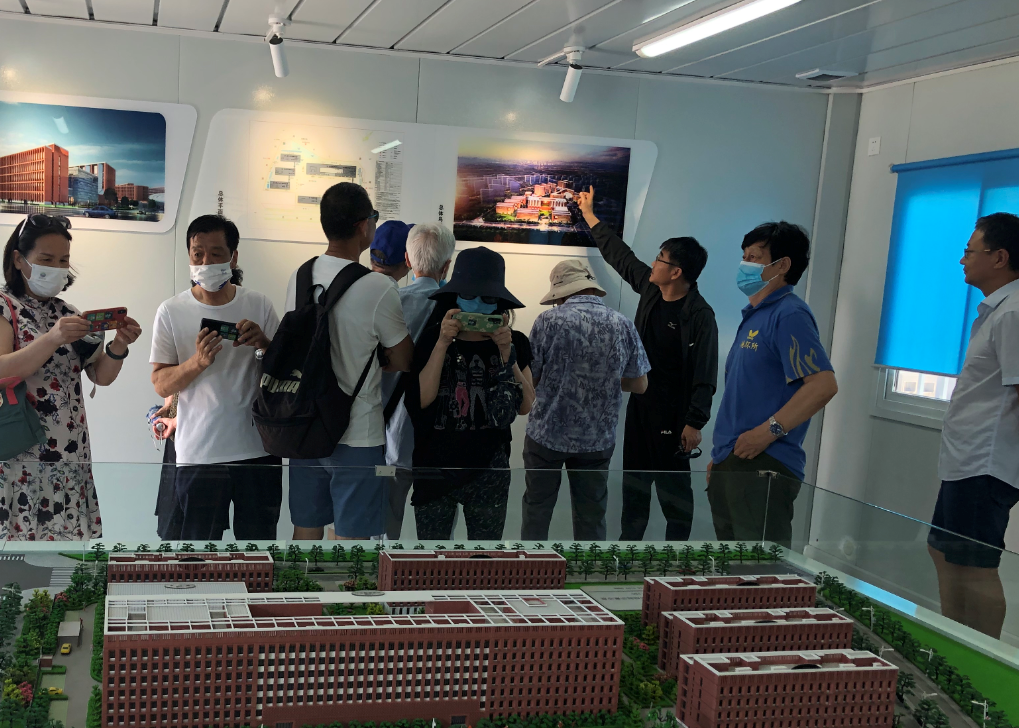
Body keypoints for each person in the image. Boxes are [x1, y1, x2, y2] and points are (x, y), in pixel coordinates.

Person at [577, 186, 718, 541]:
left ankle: (675, 558)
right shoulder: (653, 290)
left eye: (661, 259)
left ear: (677, 272)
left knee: (675, 497)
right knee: (635, 489)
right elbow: (621, 257)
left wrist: (694, 422)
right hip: (641, 408)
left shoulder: (700, 315)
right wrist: (590, 216)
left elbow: (705, 373)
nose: (653, 263)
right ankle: (628, 555)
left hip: (675, 417)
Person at [0, 214, 142, 540]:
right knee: (20, 548)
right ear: (19, 260)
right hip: (21, 454)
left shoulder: (69, 313)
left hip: (70, 453)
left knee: (66, 551)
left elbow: (100, 376)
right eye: (46, 259)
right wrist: (52, 338)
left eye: (63, 260)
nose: (57, 267)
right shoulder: (5, 306)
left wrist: (119, 345)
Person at [285, 183, 413, 541]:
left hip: (305, 426)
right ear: (362, 226)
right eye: (374, 217)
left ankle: (302, 581)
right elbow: (403, 358)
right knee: (351, 541)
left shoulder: (300, 276)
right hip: (357, 432)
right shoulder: (378, 287)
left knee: (306, 530)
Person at [150, 215, 282, 541]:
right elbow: (161, 383)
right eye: (198, 254)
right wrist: (197, 362)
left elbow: (284, 373)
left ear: (233, 258)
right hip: (199, 453)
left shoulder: (258, 305)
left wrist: (264, 344)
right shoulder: (171, 311)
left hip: (258, 449)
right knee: (197, 553)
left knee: (258, 550)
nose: (206, 262)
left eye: (216, 253)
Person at [708, 222, 838, 547]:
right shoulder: (756, 315)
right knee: (730, 568)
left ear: (782, 265)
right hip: (734, 459)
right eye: (744, 257)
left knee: (759, 571)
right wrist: (722, 457)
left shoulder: (790, 314)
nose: (745, 265)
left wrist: (767, 433)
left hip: (764, 461)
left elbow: (823, 385)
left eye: (754, 257)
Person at [928, 212, 1019, 639]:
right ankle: (952, 641)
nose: (962, 259)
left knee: (976, 565)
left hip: (987, 463)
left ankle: (982, 658)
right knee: (943, 551)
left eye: (970, 250)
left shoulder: (1013, 313)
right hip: (965, 460)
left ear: (999, 257)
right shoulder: (995, 310)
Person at [404, 246, 535, 540]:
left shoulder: (516, 342)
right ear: (455, 296)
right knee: (432, 556)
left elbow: (526, 405)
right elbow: (420, 400)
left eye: (487, 299)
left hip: (489, 467)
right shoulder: (433, 337)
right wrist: (442, 343)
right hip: (435, 466)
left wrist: (507, 354)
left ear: (499, 303)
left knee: (484, 556)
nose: (476, 305)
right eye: (468, 295)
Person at [520, 259, 650, 541]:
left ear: (561, 293)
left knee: (537, 510)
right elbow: (640, 384)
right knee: (591, 516)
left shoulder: (548, 321)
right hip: (597, 440)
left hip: (547, 436)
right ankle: (589, 567)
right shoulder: (622, 323)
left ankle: (532, 564)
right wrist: (603, 378)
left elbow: (533, 380)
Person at [378, 223, 456, 539]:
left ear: (408, 261)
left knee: (384, 530)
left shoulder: (388, 301)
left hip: (389, 439)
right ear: (447, 266)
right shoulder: (456, 310)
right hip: (437, 443)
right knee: (438, 535)